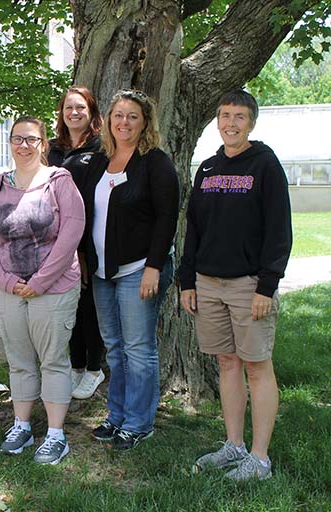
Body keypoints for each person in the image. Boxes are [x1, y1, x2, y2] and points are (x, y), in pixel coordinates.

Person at [181, 89, 291, 481]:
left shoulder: (264, 165)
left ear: (251, 123)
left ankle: (259, 459)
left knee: (258, 368)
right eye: (224, 115)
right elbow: (194, 229)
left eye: (239, 116)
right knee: (227, 363)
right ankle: (234, 445)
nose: (230, 123)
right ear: (217, 120)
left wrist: (267, 285)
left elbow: (279, 230)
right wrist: (187, 278)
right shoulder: (207, 169)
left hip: (249, 285)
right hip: (207, 284)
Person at [0, 116, 85, 465]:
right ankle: (21, 426)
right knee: (20, 362)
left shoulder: (59, 182)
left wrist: (39, 282)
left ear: (43, 144)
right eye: (17, 139)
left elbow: (71, 233)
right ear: (10, 143)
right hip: (7, 291)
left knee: (53, 360)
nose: (24, 145)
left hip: (53, 290)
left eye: (32, 139)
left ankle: (56, 435)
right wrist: (4, 280)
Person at [81, 90, 179, 450]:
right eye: (118, 115)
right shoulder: (98, 161)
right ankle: (117, 416)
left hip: (140, 268)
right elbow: (85, 213)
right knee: (115, 349)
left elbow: (167, 218)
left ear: (145, 122)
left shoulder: (156, 163)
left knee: (138, 349)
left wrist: (154, 266)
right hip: (103, 271)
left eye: (132, 116)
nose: (124, 122)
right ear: (108, 119)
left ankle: (139, 423)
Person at [47, 86, 106, 400]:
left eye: (80, 107)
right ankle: (76, 365)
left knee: (89, 303)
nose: (74, 113)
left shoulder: (101, 147)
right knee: (68, 301)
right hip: (57, 237)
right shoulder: (52, 149)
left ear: (91, 112)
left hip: (91, 235)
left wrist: (82, 248)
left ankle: (94, 369)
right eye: (68, 107)